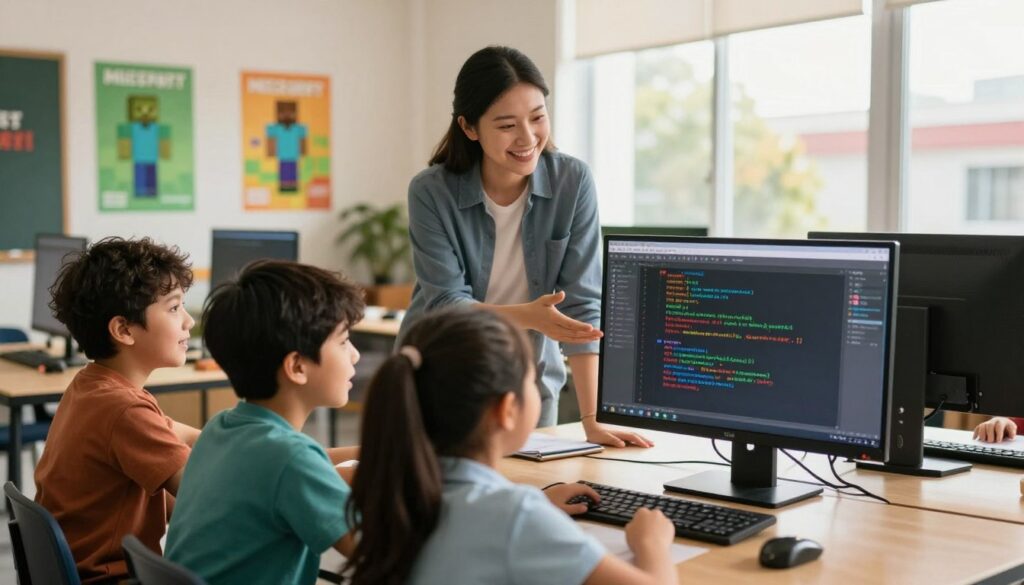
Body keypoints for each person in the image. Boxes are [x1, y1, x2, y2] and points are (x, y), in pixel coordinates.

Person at [401, 45, 648, 447]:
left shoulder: (573, 181)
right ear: (469, 127)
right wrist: (529, 317)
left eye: (537, 117)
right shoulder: (432, 191)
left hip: (526, 381)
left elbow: (583, 304)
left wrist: (592, 420)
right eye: (506, 125)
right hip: (438, 375)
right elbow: (445, 303)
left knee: (534, 493)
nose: (527, 137)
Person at [346, 308, 678, 585]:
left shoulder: (394, 488)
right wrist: (652, 543)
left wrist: (535, 502)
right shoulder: (515, 516)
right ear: (506, 410)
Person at [165, 260, 362, 585]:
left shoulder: (221, 428)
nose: (354, 355)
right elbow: (377, 553)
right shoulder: (290, 459)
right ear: (297, 366)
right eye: (343, 342)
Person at [34, 237, 200, 584]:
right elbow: (206, 493)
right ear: (123, 329)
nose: (189, 322)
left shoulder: (92, 386)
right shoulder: (123, 409)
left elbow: (196, 439)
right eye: (173, 308)